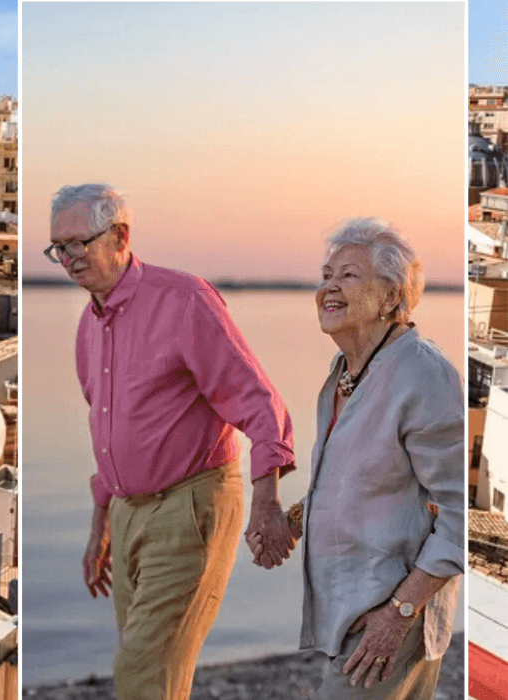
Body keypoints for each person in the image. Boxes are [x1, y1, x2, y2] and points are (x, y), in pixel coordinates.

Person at [51, 184, 297, 700]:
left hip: (190, 504)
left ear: (119, 236)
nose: (69, 258)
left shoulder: (184, 301)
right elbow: (107, 429)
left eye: (79, 243)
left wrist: (267, 501)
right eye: (59, 248)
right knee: (150, 670)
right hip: (126, 511)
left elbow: (258, 401)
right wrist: (101, 524)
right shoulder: (88, 326)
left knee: (144, 670)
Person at [253, 218, 462, 699]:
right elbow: (359, 481)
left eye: (347, 275)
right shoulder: (345, 373)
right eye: (326, 274)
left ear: (392, 297)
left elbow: (461, 517)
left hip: (390, 616)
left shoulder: (423, 377)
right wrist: (292, 520)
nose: (328, 286)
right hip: (351, 608)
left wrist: (399, 614)